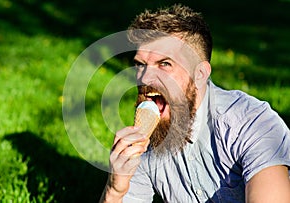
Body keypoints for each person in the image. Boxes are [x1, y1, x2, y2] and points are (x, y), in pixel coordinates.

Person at [100, 4, 290, 203]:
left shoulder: (251, 123)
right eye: (140, 65)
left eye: (164, 64)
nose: (146, 78)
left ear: (200, 74)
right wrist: (115, 191)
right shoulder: (144, 143)